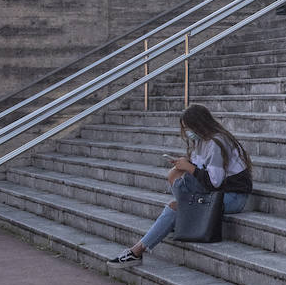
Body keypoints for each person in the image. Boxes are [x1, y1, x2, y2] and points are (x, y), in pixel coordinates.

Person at [108, 104, 253, 267]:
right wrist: (185, 164)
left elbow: (214, 181)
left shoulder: (216, 143)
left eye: (188, 127)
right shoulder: (201, 142)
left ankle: (136, 251)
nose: (188, 132)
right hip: (218, 192)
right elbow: (200, 171)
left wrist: (189, 167)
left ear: (199, 124)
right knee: (175, 174)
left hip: (232, 197)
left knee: (175, 205)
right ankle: (172, 224)